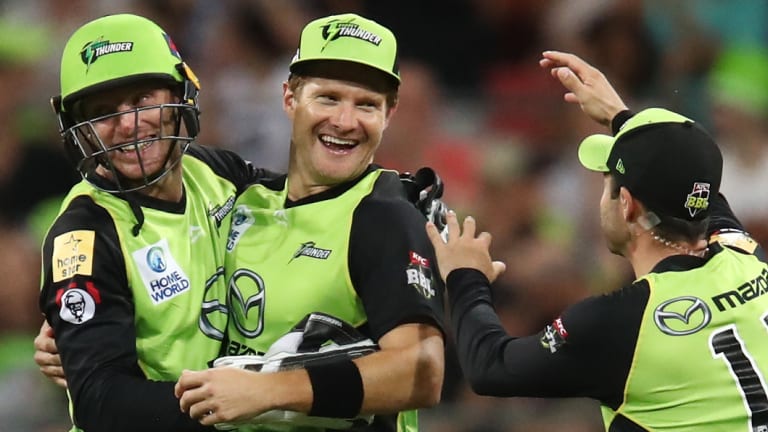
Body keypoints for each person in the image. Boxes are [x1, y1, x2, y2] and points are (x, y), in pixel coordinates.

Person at [425, 50, 768, 431]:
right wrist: (621, 118)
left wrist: (465, 276)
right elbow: (697, 186)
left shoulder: (621, 322)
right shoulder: (745, 254)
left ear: (627, 206)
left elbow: (489, 367)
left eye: (606, 181)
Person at [173, 13, 446, 431]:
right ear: (289, 98)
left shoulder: (383, 216)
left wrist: (268, 390)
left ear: (389, 114)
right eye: (328, 97)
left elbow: (422, 371)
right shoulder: (241, 197)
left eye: (367, 105)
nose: (344, 121)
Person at [37, 13, 272, 432]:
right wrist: (231, 400)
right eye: (104, 111)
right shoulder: (85, 234)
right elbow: (99, 400)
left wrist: (386, 193)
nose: (128, 124)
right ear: (80, 130)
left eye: (143, 99)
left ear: (182, 96)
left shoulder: (213, 171)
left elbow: (304, 208)